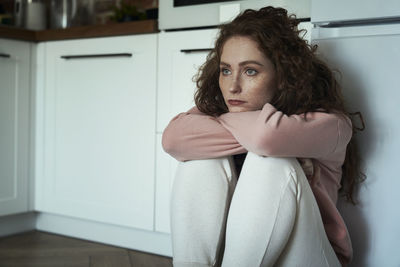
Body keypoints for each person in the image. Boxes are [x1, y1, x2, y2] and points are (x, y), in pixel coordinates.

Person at [162, 6, 364, 267]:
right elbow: (173, 139)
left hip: (308, 257)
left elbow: (265, 137)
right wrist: (248, 127)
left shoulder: (330, 124)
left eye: (250, 71)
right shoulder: (229, 111)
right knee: (200, 161)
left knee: (269, 161)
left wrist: (217, 125)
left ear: (283, 76)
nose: (233, 86)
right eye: (225, 70)